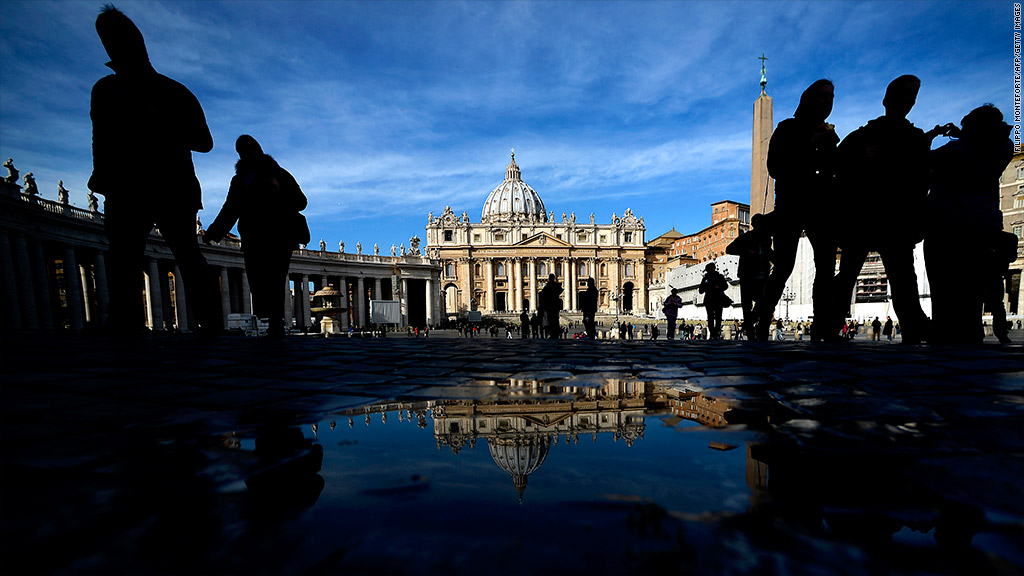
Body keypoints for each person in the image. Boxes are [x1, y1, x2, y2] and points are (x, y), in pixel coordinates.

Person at [89, 4, 220, 335]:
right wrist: (103, 177)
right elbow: (100, 139)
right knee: (124, 258)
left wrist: (160, 125)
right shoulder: (107, 90)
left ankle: (211, 323)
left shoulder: (169, 91)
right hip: (133, 186)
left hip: (167, 187)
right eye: (108, 40)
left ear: (136, 43)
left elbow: (204, 141)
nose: (113, 47)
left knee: (183, 256)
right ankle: (125, 324)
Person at [830, 75, 938, 344]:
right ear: (887, 99)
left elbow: (924, 179)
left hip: (896, 219)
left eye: (912, 96)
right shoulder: (864, 136)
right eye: (904, 94)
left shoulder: (914, 138)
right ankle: (830, 325)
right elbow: (838, 170)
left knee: (902, 277)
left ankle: (912, 326)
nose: (908, 101)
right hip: (863, 216)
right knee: (852, 275)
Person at [924, 104, 1014, 344]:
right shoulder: (1004, 148)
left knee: (944, 284)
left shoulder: (954, 151)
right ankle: (971, 333)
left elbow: (920, 161)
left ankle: (945, 332)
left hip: (948, 225)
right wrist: (964, 134)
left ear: (973, 126)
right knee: (972, 287)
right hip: (985, 225)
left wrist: (930, 136)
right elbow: (983, 144)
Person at [758, 79, 840, 342]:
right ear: (808, 99)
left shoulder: (830, 135)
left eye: (831, 97)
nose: (828, 102)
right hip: (791, 207)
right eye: (823, 96)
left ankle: (822, 326)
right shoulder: (786, 129)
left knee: (826, 268)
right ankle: (762, 320)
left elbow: (835, 172)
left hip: (823, 208)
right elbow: (774, 167)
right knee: (783, 267)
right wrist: (810, 147)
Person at [205, 135, 308, 339]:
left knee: (277, 279)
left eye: (251, 148)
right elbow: (230, 208)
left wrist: (280, 193)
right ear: (240, 155)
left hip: (279, 236)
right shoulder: (240, 180)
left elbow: (301, 201)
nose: (249, 152)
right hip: (254, 237)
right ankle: (271, 318)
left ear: (259, 150)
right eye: (244, 150)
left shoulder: (280, 174)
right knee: (257, 280)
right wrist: (214, 231)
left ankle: (276, 322)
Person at [726, 212, 774, 339]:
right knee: (748, 304)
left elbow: (768, 252)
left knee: (760, 303)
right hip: (747, 275)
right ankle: (751, 332)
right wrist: (746, 251)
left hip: (761, 275)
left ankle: (750, 323)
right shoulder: (745, 238)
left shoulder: (767, 238)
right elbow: (729, 249)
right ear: (754, 225)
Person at [698, 263, 729, 339]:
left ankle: (717, 332)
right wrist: (707, 287)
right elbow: (701, 290)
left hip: (718, 298)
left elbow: (725, 286)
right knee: (711, 317)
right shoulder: (705, 278)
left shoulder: (719, 277)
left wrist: (718, 287)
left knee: (718, 317)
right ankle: (712, 333)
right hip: (709, 299)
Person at [538, 273, 563, 339]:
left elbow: (543, 295)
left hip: (550, 306)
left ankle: (552, 333)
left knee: (551, 320)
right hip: (554, 305)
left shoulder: (547, 287)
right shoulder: (556, 286)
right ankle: (555, 333)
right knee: (555, 319)